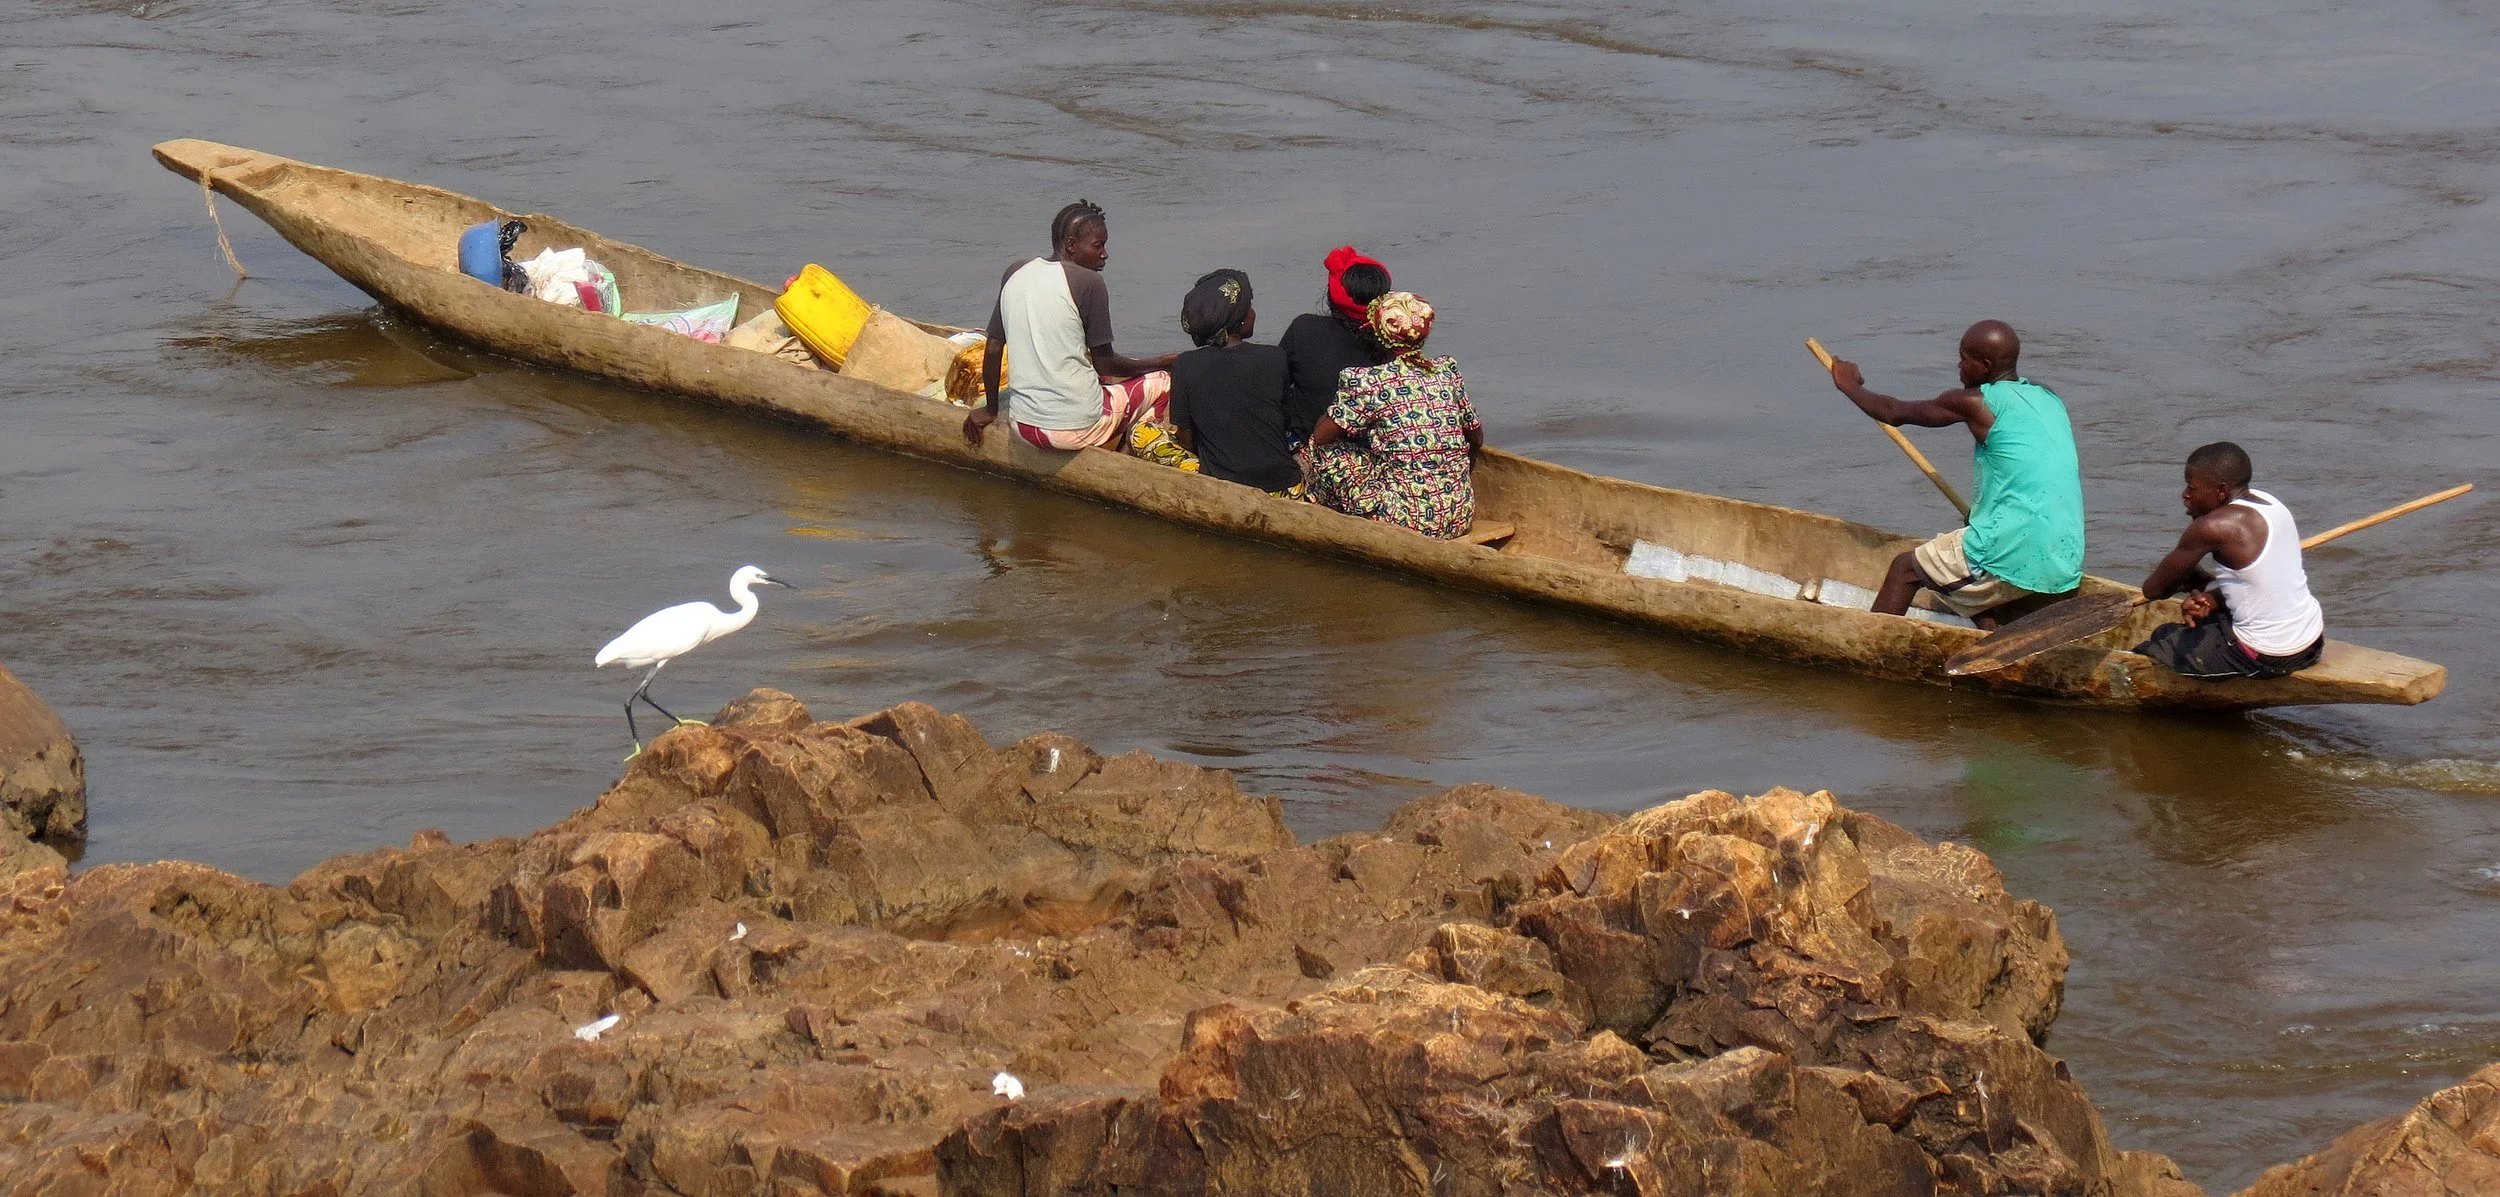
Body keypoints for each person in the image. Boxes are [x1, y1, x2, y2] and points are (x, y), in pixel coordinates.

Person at [1827, 321, 2084, 627]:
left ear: (1985, 366)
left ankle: (1868, 643)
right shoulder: (2047, 397)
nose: (1959, 366)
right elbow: (2029, 472)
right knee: (1960, 574)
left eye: (1964, 359)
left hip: (2015, 546)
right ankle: (1990, 636)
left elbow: (1894, 411)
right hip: (2064, 556)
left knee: (1905, 569)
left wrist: (1849, 385)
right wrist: (1983, 516)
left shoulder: (1975, 402)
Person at [963, 200, 1177, 452]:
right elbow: (1105, 362)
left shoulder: (1015, 271)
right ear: (1071, 246)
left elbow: (993, 348)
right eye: (1098, 246)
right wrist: (1160, 362)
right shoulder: (1090, 282)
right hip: (1072, 429)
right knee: (1163, 381)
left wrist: (989, 410)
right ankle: (1129, 455)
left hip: (1024, 426)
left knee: (1103, 379)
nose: (1105, 254)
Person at [2132, 442, 2325, 678]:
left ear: (2221, 491)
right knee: (2198, 624)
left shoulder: (2213, 527)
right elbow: (2265, 584)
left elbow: (2154, 589)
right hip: (2312, 640)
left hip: (2268, 655)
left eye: (2192, 488)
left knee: (2159, 642)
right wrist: (2212, 599)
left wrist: (2195, 523)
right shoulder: (2270, 503)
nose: (2185, 495)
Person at [1304, 292, 1483, 539]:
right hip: (1459, 514)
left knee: (1317, 449)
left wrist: (1334, 409)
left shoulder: (1370, 381)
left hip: (1407, 522)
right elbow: (1476, 435)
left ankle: (1326, 505)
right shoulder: (1446, 371)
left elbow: (1322, 436)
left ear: (1379, 336)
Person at [1167, 269, 1303, 495]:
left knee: (1140, 432)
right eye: (1248, 307)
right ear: (1238, 319)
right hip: (1285, 487)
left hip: (1220, 486)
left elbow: (1186, 440)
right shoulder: (1274, 356)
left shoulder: (1185, 364)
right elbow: (1282, 419)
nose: (1253, 313)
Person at [1278, 246, 1392, 444]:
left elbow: (1277, 385)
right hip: (1372, 448)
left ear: (1332, 296)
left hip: (1309, 443)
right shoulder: (1396, 344)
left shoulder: (1304, 328)